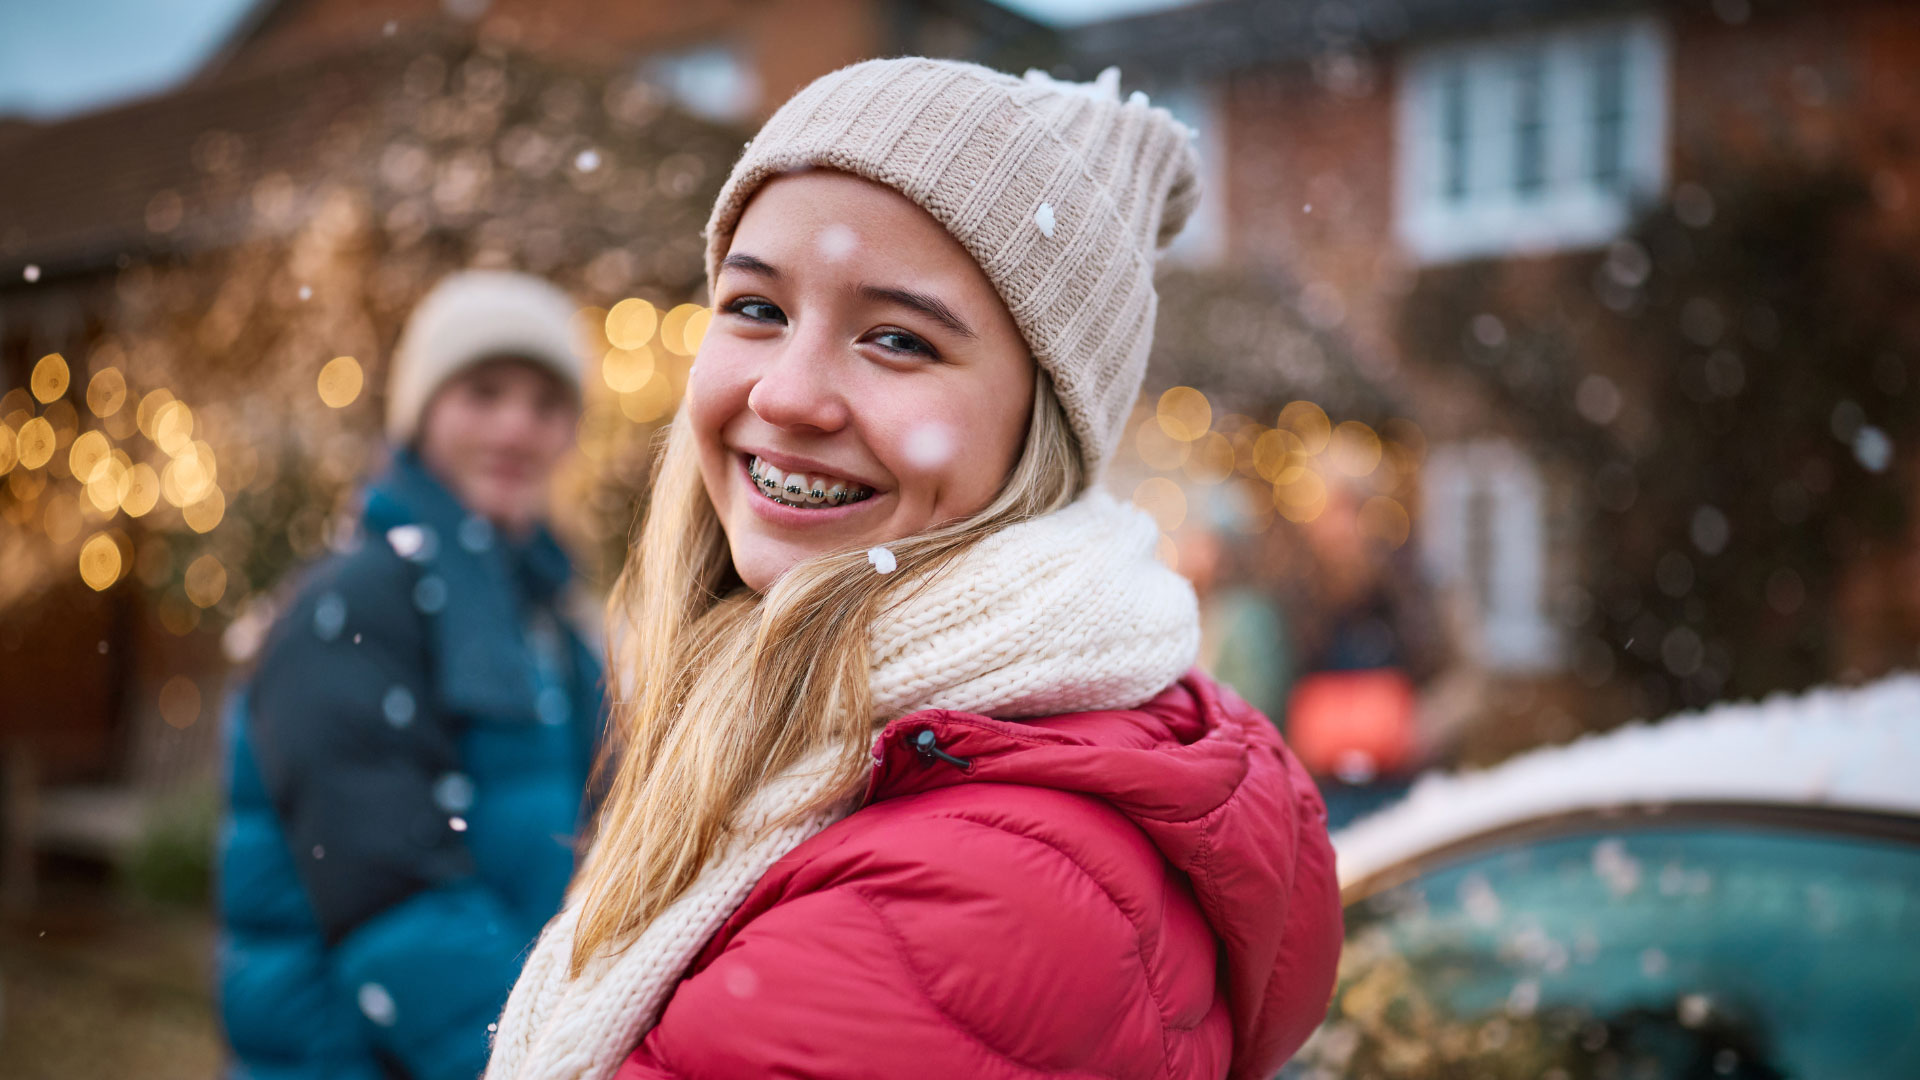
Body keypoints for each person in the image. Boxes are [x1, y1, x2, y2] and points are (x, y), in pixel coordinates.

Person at [486, 58, 1342, 1080]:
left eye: (897, 339)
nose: (790, 395)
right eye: (756, 307)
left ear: (1042, 428)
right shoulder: (829, 744)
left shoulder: (969, 897)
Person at [218, 271, 607, 1080]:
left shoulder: (556, 620)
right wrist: (543, 1060)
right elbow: (392, 899)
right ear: (421, 411)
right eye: (484, 392)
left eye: (545, 405)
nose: (515, 427)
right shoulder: (349, 607)